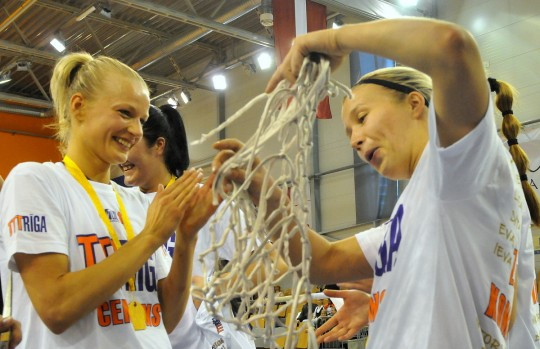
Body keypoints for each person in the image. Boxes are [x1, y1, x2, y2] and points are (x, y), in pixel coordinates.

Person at [212, 17, 540, 348]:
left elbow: (451, 46)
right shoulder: (417, 206)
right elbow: (321, 261)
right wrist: (262, 191)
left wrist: (333, 40)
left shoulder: (459, 166)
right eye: (348, 133)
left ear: (415, 104)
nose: (355, 139)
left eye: (362, 118)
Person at [0, 52, 212, 348]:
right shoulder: (36, 181)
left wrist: (186, 238)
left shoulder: (138, 202)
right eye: (125, 113)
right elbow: (56, 307)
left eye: (142, 119)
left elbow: (166, 320)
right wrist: (152, 235)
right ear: (79, 106)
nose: (137, 131)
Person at [121, 104, 257, 349]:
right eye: (120, 140)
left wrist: (218, 286)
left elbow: (270, 259)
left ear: (159, 145)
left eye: (131, 142)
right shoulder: (119, 204)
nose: (122, 153)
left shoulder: (201, 199)